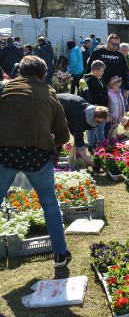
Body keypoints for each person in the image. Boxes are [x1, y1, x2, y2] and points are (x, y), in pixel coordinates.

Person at [0, 55, 73, 267]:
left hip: (6, 152)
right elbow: (64, 135)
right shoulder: (50, 94)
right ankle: (60, 254)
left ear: (19, 71)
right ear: (43, 75)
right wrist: (50, 142)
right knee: (49, 203)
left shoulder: (5, 88)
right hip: (38, 155)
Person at [57, 93, 109, 167]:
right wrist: (86, 160)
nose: (98, 124)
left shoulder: (88, 111)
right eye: (98, 122)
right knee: (60, 137)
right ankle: (52, 161)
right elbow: (79, 138)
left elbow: (75, 129)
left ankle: (55, 158)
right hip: (53, 106)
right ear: (94, 117)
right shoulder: (80, 117)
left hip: (66, 107)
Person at [85, 34, 129, 103]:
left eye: (118, 45)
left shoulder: (120, 55)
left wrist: (127, 88)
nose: (116, 47)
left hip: (115, 87)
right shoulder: (97, 53)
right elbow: (89, 69)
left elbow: (124, 72)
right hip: (99, 86)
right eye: (114, 44)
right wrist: (84, 82)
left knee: (115, 109)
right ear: (108, 42)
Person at [81, 60, 108, 147]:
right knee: (91, 128)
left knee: (101, 128)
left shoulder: (100, 79)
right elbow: (86, 95)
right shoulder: (86, 80)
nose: (103, 73)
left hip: (102, 108)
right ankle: (91, 144)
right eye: (102, 71)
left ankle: (101, 144)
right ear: (96, 70)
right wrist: (91, 108)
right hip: (93, 110)